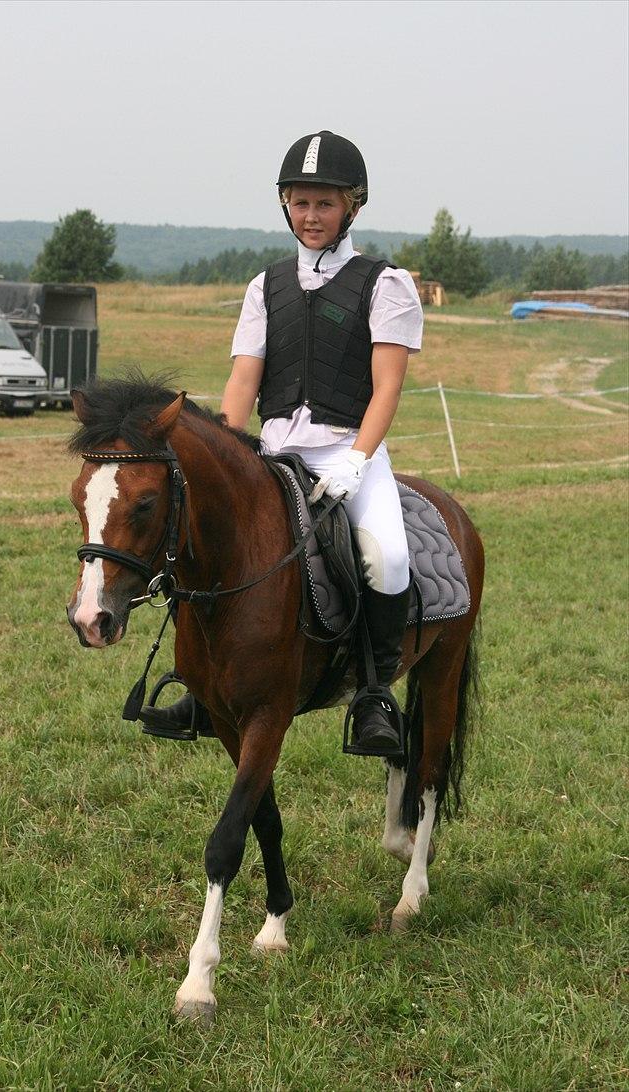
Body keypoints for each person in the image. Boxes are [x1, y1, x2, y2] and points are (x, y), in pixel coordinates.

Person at [140, 130, 423, 757]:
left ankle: (375, 694)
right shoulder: (264, 286)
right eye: (300, 202)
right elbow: (243, 380)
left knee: (388, 558)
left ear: (352, 205)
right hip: (271, 451)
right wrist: (229, 450)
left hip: (351, 449)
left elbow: (387, 388)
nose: (311, 216)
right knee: (209, 546)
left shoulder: (386, 284)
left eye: (324, 203)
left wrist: (356, 460)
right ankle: (201, 686)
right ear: (285, 206)